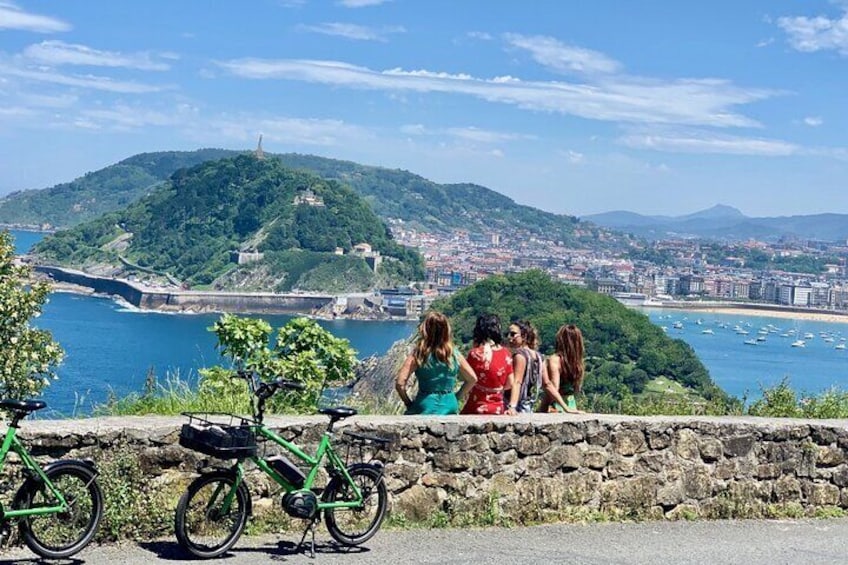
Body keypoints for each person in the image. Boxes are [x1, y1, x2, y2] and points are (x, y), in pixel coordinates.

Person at [395, 311, 477, 415]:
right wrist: (456, 397)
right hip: (450, 406)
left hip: (424, 406)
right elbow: (472, 379)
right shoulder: (454, 354)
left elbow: (400, 383)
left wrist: (408, 403)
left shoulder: (419, 354)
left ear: (425, 330)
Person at [460, 314, 514, 415]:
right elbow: (510, 383)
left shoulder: (475, 354)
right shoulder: (506, 354)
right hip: (498, 408)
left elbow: (466, 378)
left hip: (476, 406)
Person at [538, 324, 585, 414]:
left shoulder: (555, 360)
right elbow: (576, 389)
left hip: (557, 406)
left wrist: (543, 407)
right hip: (571, 403)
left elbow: (554, 387)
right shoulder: (578, 363)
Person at [506, 320, 546, 414]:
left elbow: (517, 381)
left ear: (523, 336)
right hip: (527, 405)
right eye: (507, 334)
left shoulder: (519, 355)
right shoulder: (539, 356)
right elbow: (547, 384)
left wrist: (512, 406)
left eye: (513, 334)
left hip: (516, 405)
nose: (509, 337)